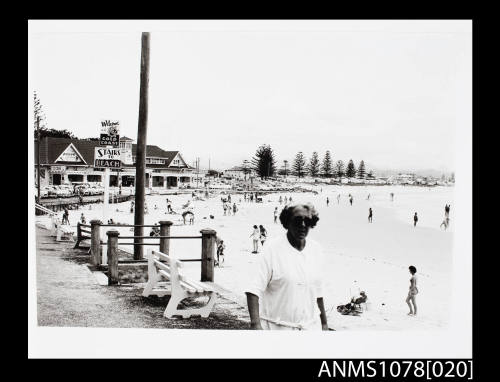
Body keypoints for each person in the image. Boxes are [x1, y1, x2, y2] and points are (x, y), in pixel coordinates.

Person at [245, 203, 329, 330]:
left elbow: (318, 293)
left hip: (311, 328)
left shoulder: (316, 250)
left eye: (307, 221)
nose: (302, 225)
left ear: (312, 223)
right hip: (277, 329)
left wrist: (324, 324)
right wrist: (255, 324)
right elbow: (253, 290)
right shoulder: (271, 249)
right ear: (287, 223)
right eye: (297, 220)